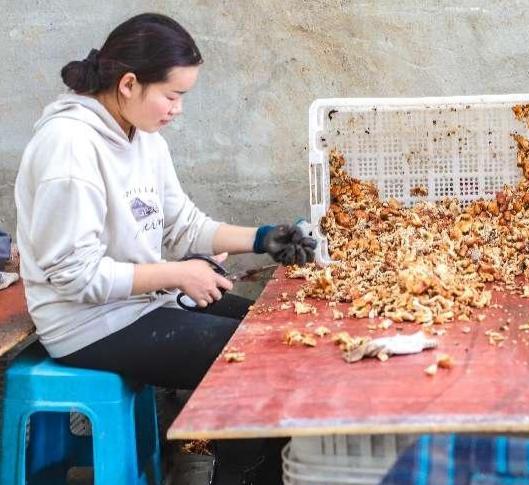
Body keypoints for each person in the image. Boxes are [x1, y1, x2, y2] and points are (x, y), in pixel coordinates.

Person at [14, 12, 315, 483]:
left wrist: (263, 239)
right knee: (254, 360)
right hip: (87, 325)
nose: (178, 109)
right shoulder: (69, 148)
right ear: (129, 83)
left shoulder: (142, 137)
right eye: (172, 96)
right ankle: (239, 475)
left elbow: (182, 225)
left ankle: (264, 469)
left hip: (140, 305)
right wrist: (177, 275)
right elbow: (74, 276)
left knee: (276, 334)